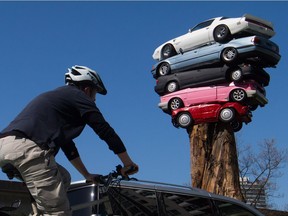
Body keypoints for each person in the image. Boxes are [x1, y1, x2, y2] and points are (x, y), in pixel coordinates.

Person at [0, 65, 139, 215]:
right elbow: (105, 131)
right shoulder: (78, 96)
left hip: (6, 146)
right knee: (59, 212)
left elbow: (68, 147)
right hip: (28, 150)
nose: (94, 99)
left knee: (64, 178)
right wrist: (128, 163)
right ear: (87, 89)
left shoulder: (59, 99)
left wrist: (86, 175)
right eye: (95, 94)